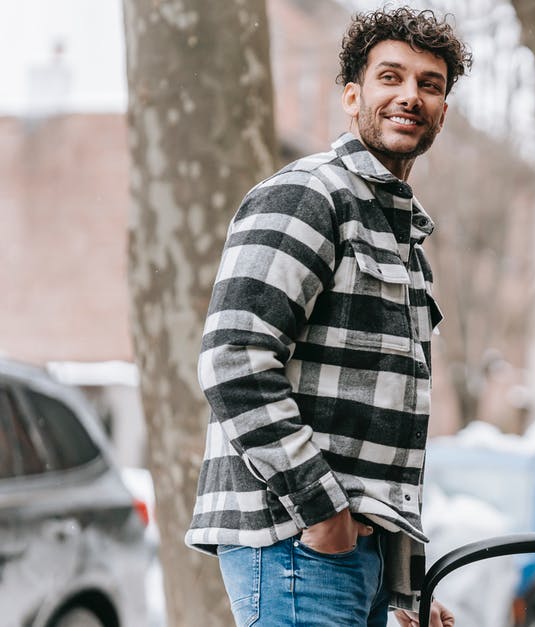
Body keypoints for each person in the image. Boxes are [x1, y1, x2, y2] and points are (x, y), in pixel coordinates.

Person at [185, 7, 470, 627]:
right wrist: (323, 516)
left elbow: (380, 430)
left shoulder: (406, 239)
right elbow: (234, 361)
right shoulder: (310, 195)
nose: (410, 96)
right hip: (296, 543)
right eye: (390, 78)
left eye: (430, 84)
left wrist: (405, 586)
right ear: (352, 95)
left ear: (444, 110)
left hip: (349, 553)